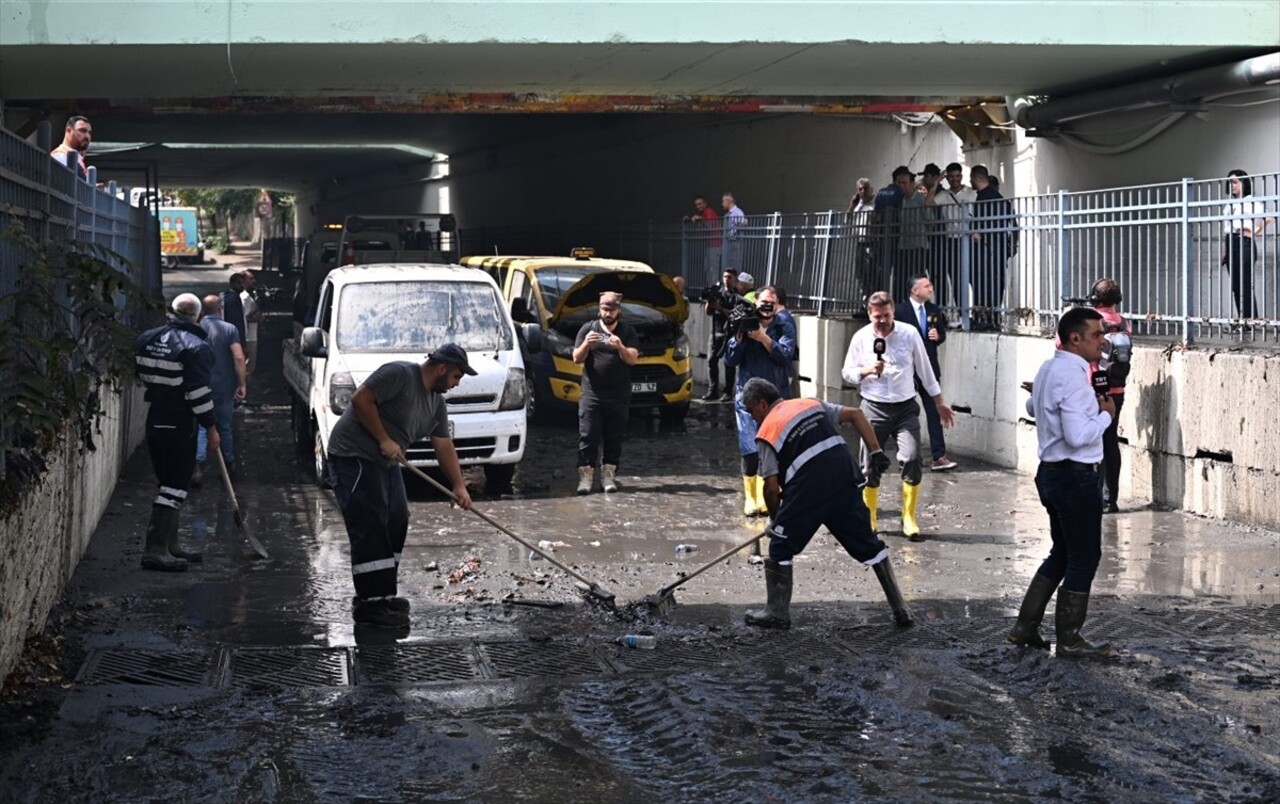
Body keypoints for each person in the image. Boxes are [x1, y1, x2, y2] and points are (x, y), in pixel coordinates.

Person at [740, 378, 911, 629]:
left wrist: (777, 522)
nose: (753, 419)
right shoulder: (810, 403)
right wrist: (875, 451)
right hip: (845, 476)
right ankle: (901, 609)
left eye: (752, 412)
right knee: (869, 545)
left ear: (762, 404)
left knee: (780, 548)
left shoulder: (767, 431)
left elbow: (770, 488)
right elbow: (855, 414)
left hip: (809, 488)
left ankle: (776, 613)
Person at [326, 345, 477, 628]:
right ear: (442, 368)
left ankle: (383, 595)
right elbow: (361, 399)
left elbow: (443, 444)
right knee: (371, 522)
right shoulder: (400, 374)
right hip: (353, 455)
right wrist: (383, 438)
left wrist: (459, 486)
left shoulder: (436, 403)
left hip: (385, 462)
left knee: (397, 520)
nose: (457, 384)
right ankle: (370, 604)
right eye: (457, 376)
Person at [1008, 307, 1116, 660]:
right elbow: (1078, 435)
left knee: (1062, 552)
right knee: (1084, 556)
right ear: (1075, 338)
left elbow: (1034, 406)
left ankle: (1025, 627)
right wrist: (1105, 416)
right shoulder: (1072, 378)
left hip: (1052, 475)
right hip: (1074, 477)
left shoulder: (1050, 369)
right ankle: (1069, 638)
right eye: (1097, 335)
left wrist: (1041, 395)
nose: (1103, 341)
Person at [841, 291, 955, 540]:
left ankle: (909, 516)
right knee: (870, 464)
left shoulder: (909, 333)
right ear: (870, 314)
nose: (881, 321)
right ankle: (870, 515)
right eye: (876, 316)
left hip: (905, 407)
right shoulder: (861, 337)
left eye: (886, 315)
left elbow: (925, 372)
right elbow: (847, 373)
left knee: (913, 457)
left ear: (893, 311)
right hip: (873, 407)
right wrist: (865, 371)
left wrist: (940, 403)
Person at [133, 293, 220, 572]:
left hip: (155, 417)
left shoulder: (147, 338)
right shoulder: (197, 347)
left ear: (172, 310)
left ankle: (170, 546)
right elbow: (199, 393)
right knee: (175, 484)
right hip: (180, 422)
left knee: (167, 483)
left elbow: (142, 374)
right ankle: (156, 550)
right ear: (198, 316)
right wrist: (211, 425)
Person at [724, 286, 797, 516]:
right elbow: (729, 360)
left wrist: (764, 338)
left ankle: (769, 492)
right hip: (747, 397)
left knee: (774, 448)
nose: (766, 307)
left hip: (775, 398)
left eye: (771, 303)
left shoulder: (784, 325)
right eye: (762, 302)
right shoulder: (745, 323)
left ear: (777, 306)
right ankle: (750, 497)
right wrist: (740, 336)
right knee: (750, 448)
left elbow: (785, 356)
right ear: (755, 304)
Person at [572, 291, 640, 494]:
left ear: (619, 310)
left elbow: (632, 359)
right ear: (599, 309)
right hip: (592, 395)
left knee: (614, 437)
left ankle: (608, 476)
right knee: (588, 436)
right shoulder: (588, 329)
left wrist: (620, 346)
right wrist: (586, 344)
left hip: (618, 396)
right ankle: (585, 478)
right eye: (604, 308)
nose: (607, 313)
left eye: (611, 309)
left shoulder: (627, 332)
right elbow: (576, 357)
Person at [896, 275, 957, 472]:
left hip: (929, 368)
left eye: (930, 285)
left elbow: (942, 333)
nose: (931, 289)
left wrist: (938, 336)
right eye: (926, 286)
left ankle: (939, 456)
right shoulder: (900, 311)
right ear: (914, 290)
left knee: (935, 410)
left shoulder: (933, 310)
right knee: (903, 411)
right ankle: (905, 454)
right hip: (907, 370)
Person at [192, 295, 247, 488]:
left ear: (202, 311)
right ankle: (229, 466)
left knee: (200, 426)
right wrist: (242, 384)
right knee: (224, 426)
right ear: (220, 309)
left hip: (199, 386)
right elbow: (239, 358)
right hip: (224, 387)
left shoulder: (195, 329)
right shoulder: (229, 329)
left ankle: (198, 467)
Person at [1088, 278, 1131, 512]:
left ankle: (1096, 496)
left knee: (1094, 442)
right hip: (1118, 390)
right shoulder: (1124, 323)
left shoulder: (1093, 322)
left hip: (1095, 389)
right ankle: (1110, 499)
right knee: (1111, 441)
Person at [1222, 170, 1273, 320]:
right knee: (1236, 286)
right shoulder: (1229, 204)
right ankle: (1243, 319)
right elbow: (1227, 228)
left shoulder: (1251, 201)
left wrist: (1254, 232)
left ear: (1243, 183)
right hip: (1231, 242)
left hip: (1244, 242)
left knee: (1245, 284)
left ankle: (1250, 321)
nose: (1232, 185)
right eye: (1230, 182)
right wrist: (1226, 250)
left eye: (1235, 182)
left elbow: (1268, 218)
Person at [969, 165, 1015, 331]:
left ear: (975, 177)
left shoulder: (986, 198)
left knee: (986, 283)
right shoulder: (998, 198)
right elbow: (1013, 224)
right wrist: (1010, 249)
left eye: (971, 178)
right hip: (997, 249)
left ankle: (986, 317)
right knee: (994, 282)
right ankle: (991, 316)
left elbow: (983, 225)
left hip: (988, 250)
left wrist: (978, 233)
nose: (970, 182)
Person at [930, 162, 977, 308]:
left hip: (969, 239)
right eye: (951, 177)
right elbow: (928, 203)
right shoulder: (944, 195)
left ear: (961, 176)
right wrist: (936, 182)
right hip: (951, 241)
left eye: (957, 176)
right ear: (947, 178)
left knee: (973, 277)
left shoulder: (972, 193)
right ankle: (961, 313)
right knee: (956, 278)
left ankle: (976, 312)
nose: (955, 179)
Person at [701, 269, 740, 401]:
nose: (726, 279)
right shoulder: (718, 293)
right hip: (715, 333)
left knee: (729, 363)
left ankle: (728, 392)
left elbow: (734, 315)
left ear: (735, 279)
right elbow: (708, 312)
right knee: (711, 362)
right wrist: (709, 301)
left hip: (729, 334)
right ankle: (712, 390)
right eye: (724, 276)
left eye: (729, 277)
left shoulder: (736, 296)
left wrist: (720, 308)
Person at [687, 195, 722, 273]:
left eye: (700, 204)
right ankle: (710, 285)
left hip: (715, 244)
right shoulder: (703, 214)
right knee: (708, 268)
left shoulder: (708, 211)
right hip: (709, 245)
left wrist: (700, 219)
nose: (698, 206)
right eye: (696, 205)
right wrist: (690, 220)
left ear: (705, 204)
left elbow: (710, 226)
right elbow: (701, 228)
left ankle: (713, 285)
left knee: (713, 269)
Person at [239, 269, 262, 379]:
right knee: (249, 367)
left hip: (250, 335)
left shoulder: (245, 296)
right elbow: (244, 317)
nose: (254, 281)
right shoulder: (244, 298)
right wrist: (258, 318)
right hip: (249, 337)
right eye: (251, 279)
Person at [220, 272, 248, 346]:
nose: (242, 286)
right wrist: (242, 342)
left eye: (243, 283)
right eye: (239, 283)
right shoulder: (234, 298)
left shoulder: (225, 295)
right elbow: (237, 320)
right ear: (232, 284)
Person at [722, 193, 746, 271]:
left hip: (735, 240)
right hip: (729, 241)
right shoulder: (729, 214)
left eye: (723, 201)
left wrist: (737, 231)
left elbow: (743, 223)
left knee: (735, 263)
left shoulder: (737, 212)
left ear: (729, 201)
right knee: (729, 262)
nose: (722, 204)